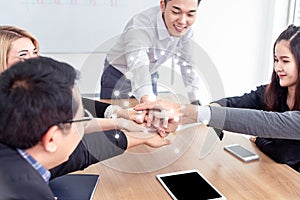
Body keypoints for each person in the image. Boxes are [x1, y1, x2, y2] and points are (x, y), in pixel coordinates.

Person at [135, 24, 300, 172]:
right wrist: (192, 113)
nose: (278, 67)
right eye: (276, 60)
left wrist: (260, 140)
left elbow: (283, 152)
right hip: (273, 174)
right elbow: (234, 103)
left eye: (285, 61)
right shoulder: (273, 92)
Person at [0, 56, 170, 199]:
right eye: (81, 120)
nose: (84, 125)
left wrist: (129, 127)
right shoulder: (28, 194)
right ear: (51, 139)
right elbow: (82, 152)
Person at [0, 25, 148, 131]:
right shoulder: (9, 103)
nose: (35, 60)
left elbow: (70, 103)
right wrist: (121, 123)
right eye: (23, 55)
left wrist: (120, 113)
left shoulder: (29, 87)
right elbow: (65, 126)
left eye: (35, 52)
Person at [100, 0, 203, 105]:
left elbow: (188, 64)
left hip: (150, 72)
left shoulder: (186, 31)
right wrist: (147, 99)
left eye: (190, 14)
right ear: (163, 5)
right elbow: (138, 62)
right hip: (118, 73)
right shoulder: (141, 25)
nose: (182, 21)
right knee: (115, 116)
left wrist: (195, 100)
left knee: (151, 116)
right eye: (176, 12)